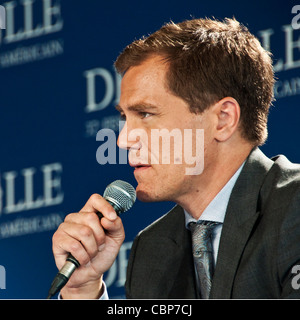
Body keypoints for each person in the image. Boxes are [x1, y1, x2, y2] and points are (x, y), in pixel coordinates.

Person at [52, 17, 300, 299]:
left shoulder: (294, 207)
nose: (122, 140)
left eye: (145, 114)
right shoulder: (152, 249)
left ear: (222, 119)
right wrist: (83, 289)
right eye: (124, 117)